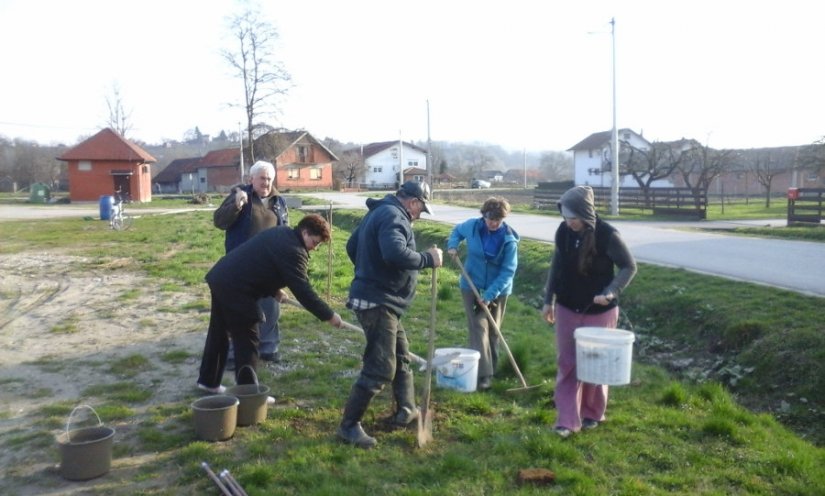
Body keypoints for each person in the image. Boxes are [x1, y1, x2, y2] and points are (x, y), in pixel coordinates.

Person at [338, 181, 443, 449]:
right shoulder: (394, 215)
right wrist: (428, 258)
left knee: (400, 356)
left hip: (383, 301)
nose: (419, 216)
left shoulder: (379, 212)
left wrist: (371, 270)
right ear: (413, 203)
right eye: (421, 210)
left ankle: (406, 409)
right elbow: (395, 252)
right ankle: (348, 426)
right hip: (378, 303)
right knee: (381, 366)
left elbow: (353, 246)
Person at [196, 214, 343, 393]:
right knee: (248, 337)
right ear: (305, 232)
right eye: (315, 242)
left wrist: (274, 290)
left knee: (219, 332)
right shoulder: (295, 251)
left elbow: (261, 263)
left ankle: (208, 382)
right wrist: (329, 315)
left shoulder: (283, 233)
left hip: (221, 277)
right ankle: (249, 394)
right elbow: (304, 291)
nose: (314, 248)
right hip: (235, 288)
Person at [541, 185, 637, 438]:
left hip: (599, 311)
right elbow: (556, 266)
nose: (568, 222)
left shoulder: (607, 235)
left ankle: (592, 413)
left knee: (595, 364)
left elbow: (628, 267)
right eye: (565, 217)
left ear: (585, 214)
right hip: (566, 306)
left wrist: (611, 291)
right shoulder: (563, 232)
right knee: (568, 363)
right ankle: (567, 420)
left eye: (573, 218)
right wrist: (548, 300)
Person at [213, 160, 289, 368]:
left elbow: (285, 232)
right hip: (240, 265)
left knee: (270, 307)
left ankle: (268, 347)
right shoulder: (241, 196)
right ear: (251, 179)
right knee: (239, 310)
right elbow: (219, 221)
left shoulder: (279, 201)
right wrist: (235, 206)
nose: (266, 183)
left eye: (269, 179)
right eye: (262, 178)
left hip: (268, 265)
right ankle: (233, 352)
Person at [446, 197, 519, 391]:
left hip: (499, 290)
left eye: (498, 220)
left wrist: (489, 294)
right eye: (490, 219)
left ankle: (490, 369)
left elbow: (508, 272)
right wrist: (452, 245)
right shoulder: (472, 226)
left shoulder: (509, 240)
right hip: (471, 285)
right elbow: (456, 231)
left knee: (494, 331)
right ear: (483, 215)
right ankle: (483, 375)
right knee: (479, 327)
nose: (494, 223)